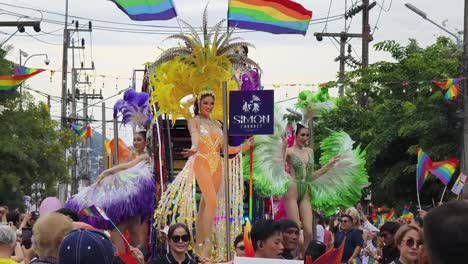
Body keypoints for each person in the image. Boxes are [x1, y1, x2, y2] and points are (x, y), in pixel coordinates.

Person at [155, 91, 253, 257]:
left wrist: (246, 145)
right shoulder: (194, 121)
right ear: (198, 104)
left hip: (218, 164)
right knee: (212, 201)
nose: (209, 106)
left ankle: (199, 245)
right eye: (206, 103)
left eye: (211, 103)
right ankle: (206, 245)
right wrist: (193, 148)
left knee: (206, 205)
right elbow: (195, 138)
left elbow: (226, 149)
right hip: (201, 161)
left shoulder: (217, 123)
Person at [66, 131, 155, 253]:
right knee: (133, 231)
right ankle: (135, 259)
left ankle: (122, 259)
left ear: (146, 142)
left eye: (139, 139)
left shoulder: (145, 157)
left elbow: (127, 167)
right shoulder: (132, 155)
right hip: (132, 202)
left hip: (135, 200)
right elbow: (123, 172)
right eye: (134, 139)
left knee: (117, 232)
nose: (135, 142)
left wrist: (106, 173)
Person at [282, 123, 339, 252]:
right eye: (302, 135)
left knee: (308, 232)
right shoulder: (289, 151)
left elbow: (311, 176)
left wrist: (328, 166)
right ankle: (298, 256)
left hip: (306, 191)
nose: (305, 138)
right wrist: (283, 148)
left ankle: (304, 257)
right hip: (292, 190)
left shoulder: (310, 152)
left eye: (307, 135)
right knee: (296, 231)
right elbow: (279, 165)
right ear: (296, 135)